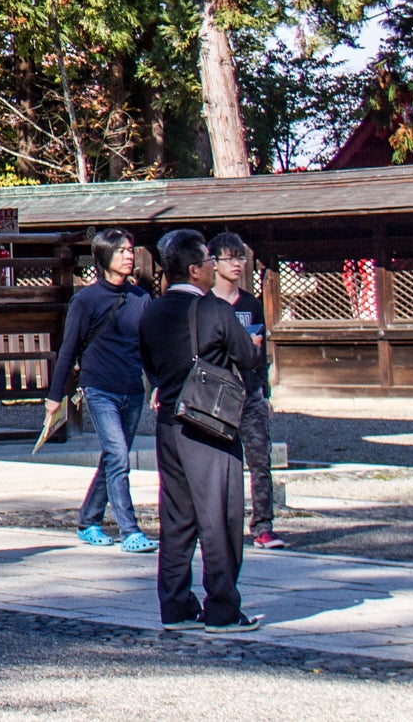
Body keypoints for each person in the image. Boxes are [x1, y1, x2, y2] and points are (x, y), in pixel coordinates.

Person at [140, 227, 263, 632]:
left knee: (176, 516)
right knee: (220, 515)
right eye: (209, 262)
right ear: (195, 270)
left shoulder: (152, 310)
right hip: (208, 423)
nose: (214, 268)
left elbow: (150, 364)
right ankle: (222, 607)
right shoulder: (215, 310)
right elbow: (247, 356)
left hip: (169, 422)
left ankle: (175, 604)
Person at [43, 227, 156, 553]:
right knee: (120, 456)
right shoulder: (86, 300)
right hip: (99, 388)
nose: (128, 256)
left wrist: (157, 385)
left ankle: (88, 519)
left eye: (130, 250)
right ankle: (130, 530)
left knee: (112, 458)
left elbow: (149, 348)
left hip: (132, 388)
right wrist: (55, 395)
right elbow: (69, 349)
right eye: (121, 251)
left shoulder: (141, 298)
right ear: (104, 257)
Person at [208, 231, 287, 551]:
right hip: (216, 394)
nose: (237, 264)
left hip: (250, 391)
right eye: (229, 258)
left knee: (260, 461)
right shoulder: (205, 304)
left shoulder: (251, 304)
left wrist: (265, 392)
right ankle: (219, 526)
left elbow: (260, 348)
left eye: (240, 257)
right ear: (213, 263)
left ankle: (263, 525)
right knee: (218, 466)